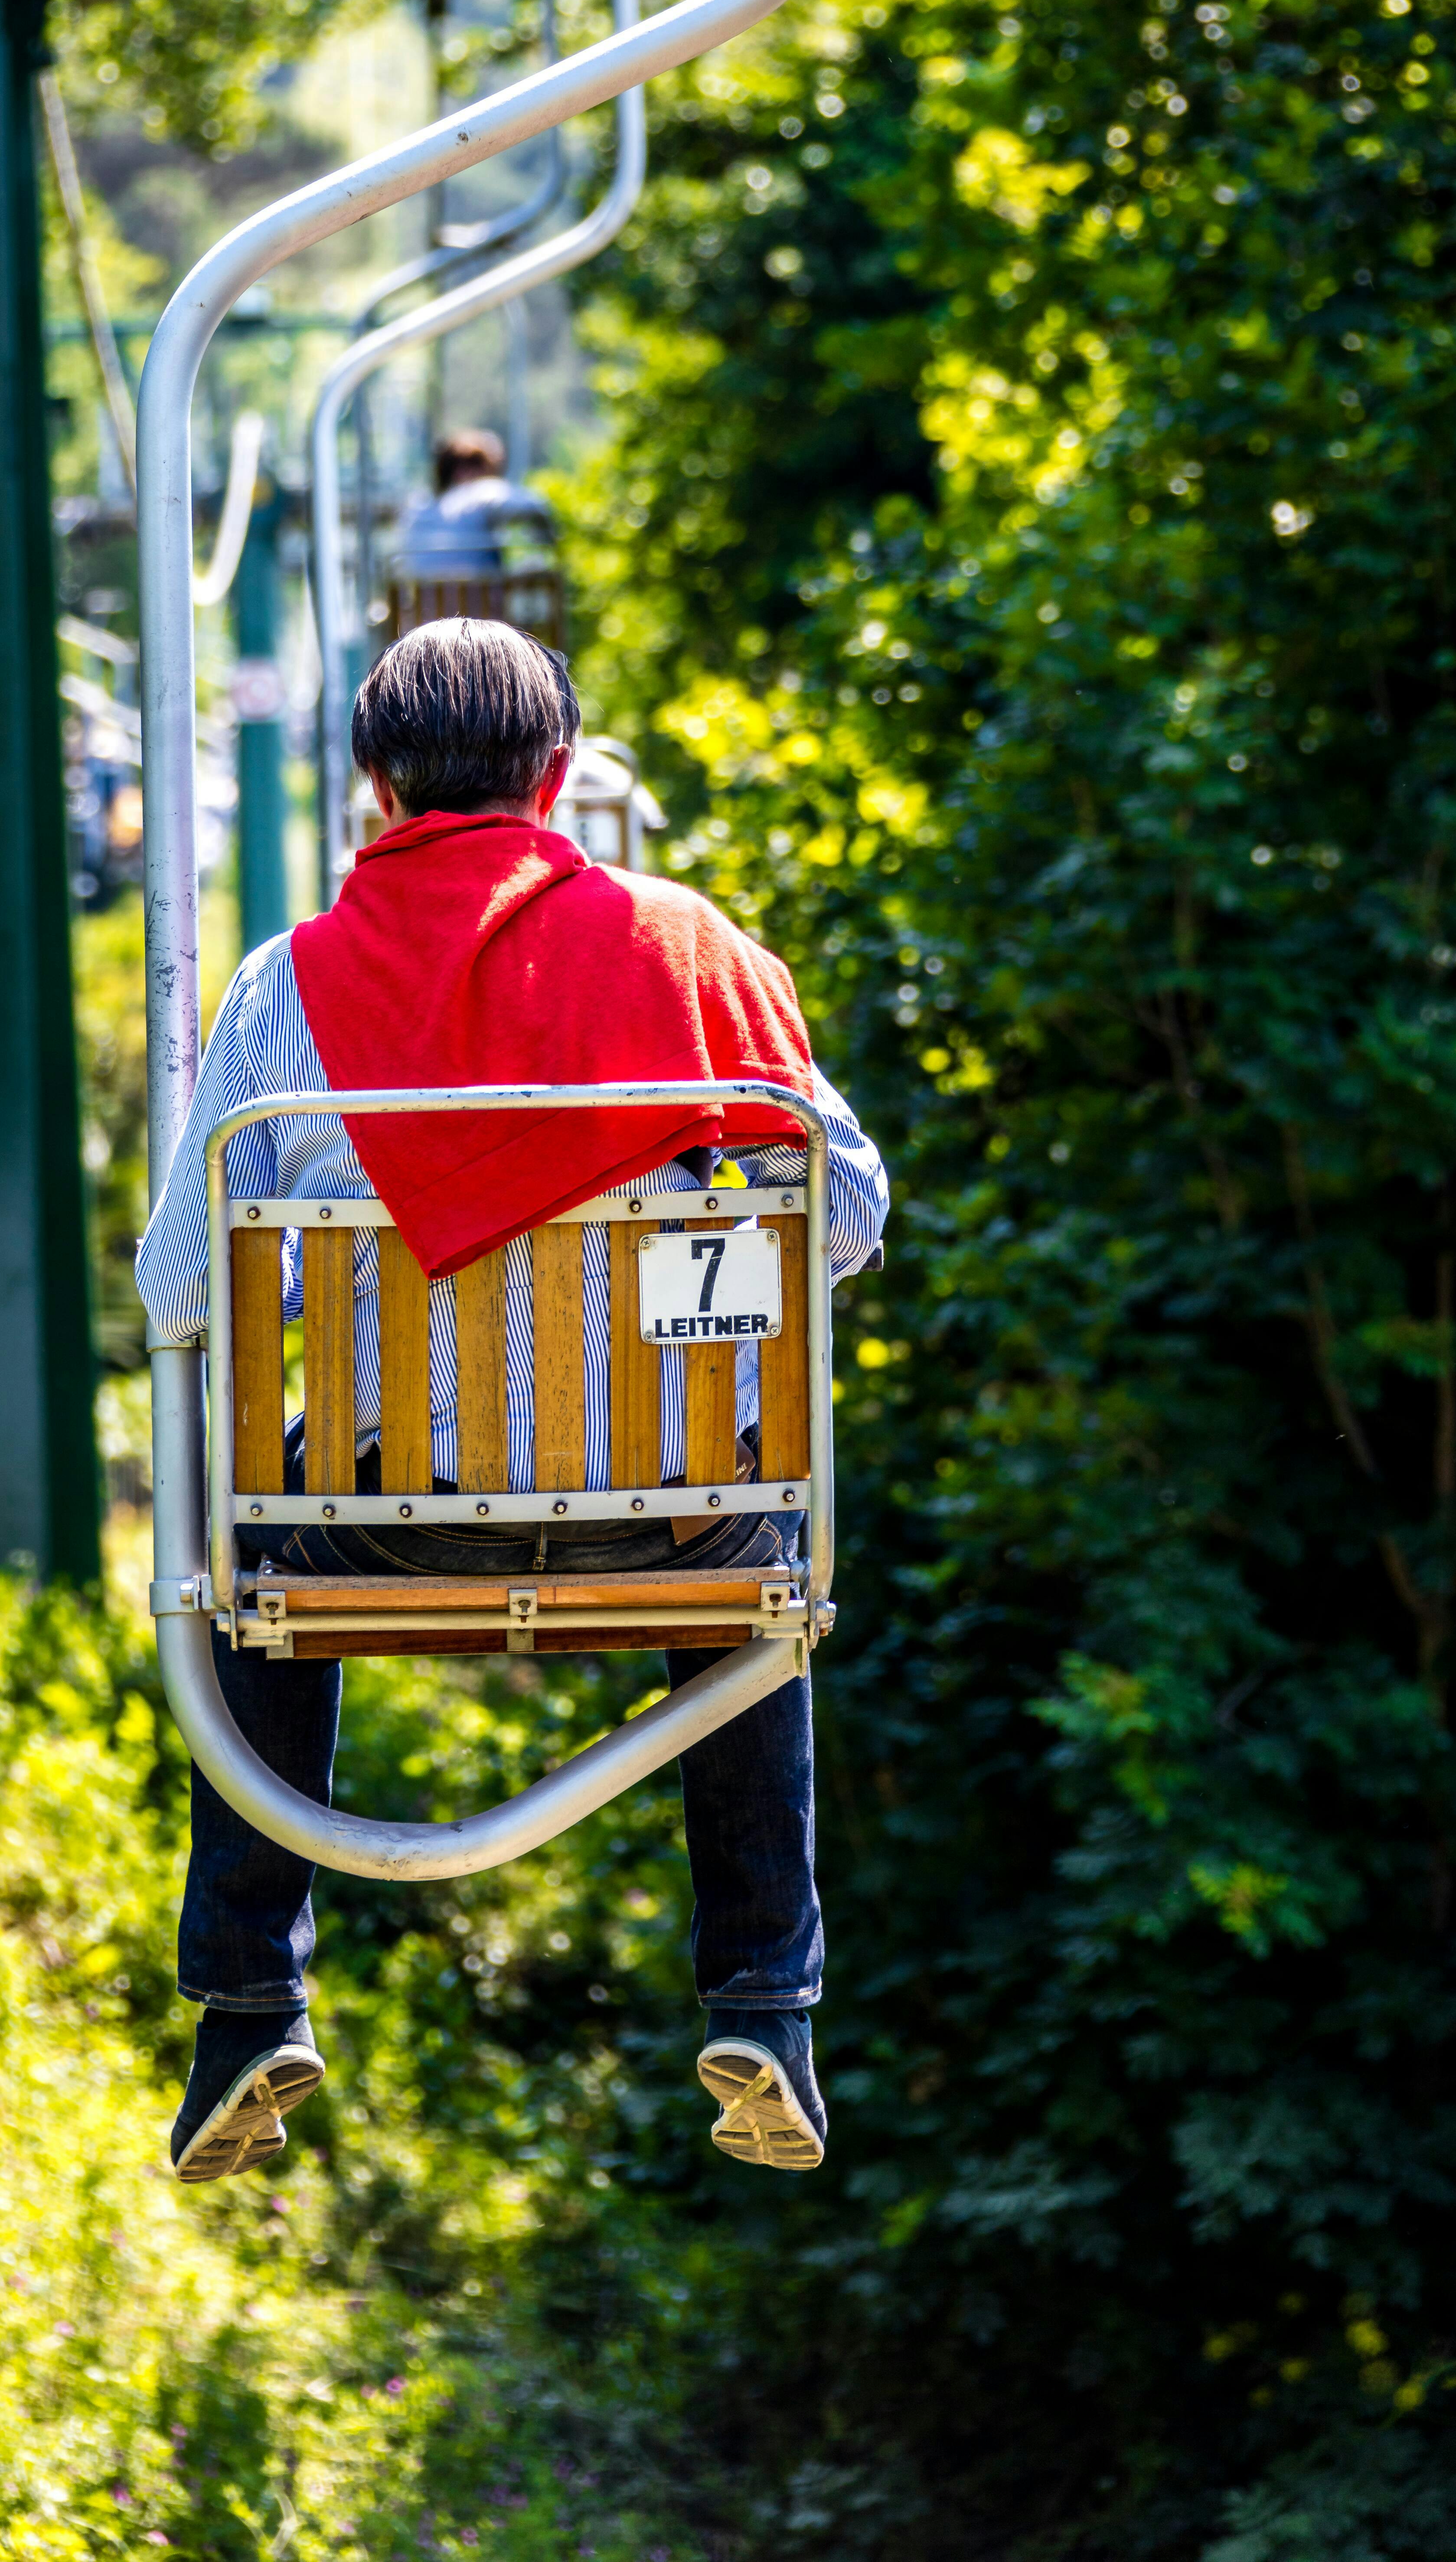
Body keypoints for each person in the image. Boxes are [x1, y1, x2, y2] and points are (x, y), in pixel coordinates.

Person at [139, 618, 890, 2187]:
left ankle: (245, 2001)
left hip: (376, 1532)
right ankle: (765, 1993)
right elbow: (845, 1212)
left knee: (242, 1552)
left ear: (370, 785)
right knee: (755, 1541)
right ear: (558, 777)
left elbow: (180, 1293)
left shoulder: (287, 991)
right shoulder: (698, 959)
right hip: (670, 1518)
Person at [392, 428, 550, 581]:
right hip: (480, 605)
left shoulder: (417, 507)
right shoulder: (482, 492)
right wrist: (546, 534)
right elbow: (535, 506)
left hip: (426, 605)